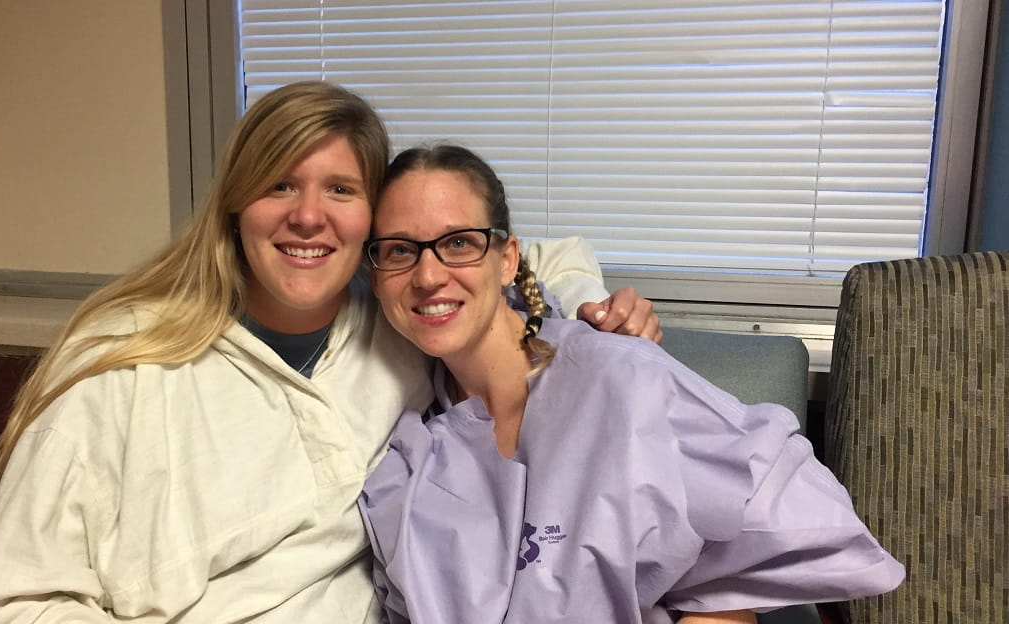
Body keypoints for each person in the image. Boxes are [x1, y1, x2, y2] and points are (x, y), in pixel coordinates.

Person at [0, 82, 661, 623]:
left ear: (372, 223)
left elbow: (527, 255)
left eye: (340, 190)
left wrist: (598, 310)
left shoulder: (397, 323)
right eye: (279, 185)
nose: (307, 216)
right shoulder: (120, 366)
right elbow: (5, 607)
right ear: (236, 205)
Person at [358, 144, 905, 624]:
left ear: (507, 260)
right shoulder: (404, 460)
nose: (428, 275)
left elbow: (771, 525)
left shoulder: (618, 378)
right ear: (375, 277)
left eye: (458, 242)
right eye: (399, 250)